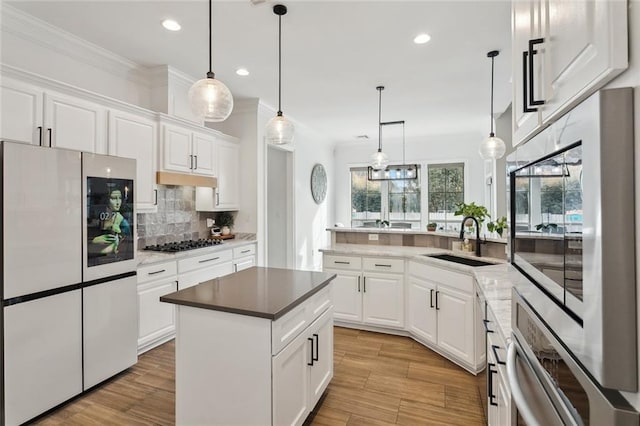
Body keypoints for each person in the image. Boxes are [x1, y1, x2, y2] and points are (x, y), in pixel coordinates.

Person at [91, 184, 131, 256]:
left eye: (120, 198)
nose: (118, 202)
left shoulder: (123, 223)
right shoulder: (101, 218)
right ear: (107, 200)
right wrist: (94, 242)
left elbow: (128, 249)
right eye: (114, 198)